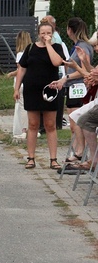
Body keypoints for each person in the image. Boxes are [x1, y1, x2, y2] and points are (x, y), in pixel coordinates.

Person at [14, 21, 67, 170]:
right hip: (32, 90)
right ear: (38, 34)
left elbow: (57, 62)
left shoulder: (56, 47)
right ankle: (31, 158)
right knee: (33, 124)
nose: (45, 36)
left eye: (48, 33)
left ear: (53, 33)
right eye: (43, 33)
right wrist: (17, 88)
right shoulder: (30, 48)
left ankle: (53, 159)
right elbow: (22, 69)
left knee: (50, 125)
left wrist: (49, 44)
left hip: (49, 90)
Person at [52, 17, 93, 163]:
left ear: (70, 30)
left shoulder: (83, 47)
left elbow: (84, 69)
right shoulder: (77, 45)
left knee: (77, 120)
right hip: (73, 86)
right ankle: (78, 151)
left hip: (79, 86)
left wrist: (66, 77)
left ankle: (80, 153)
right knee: (73, 121)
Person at [6, 30, 32, 139]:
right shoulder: (31, 52)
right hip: (29, 82)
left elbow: (21, 69)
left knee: (21, 107)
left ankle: (23, 130)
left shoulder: (20, 54)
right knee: (28, 107)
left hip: (20, 83)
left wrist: (11, 74)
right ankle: (29, 128)